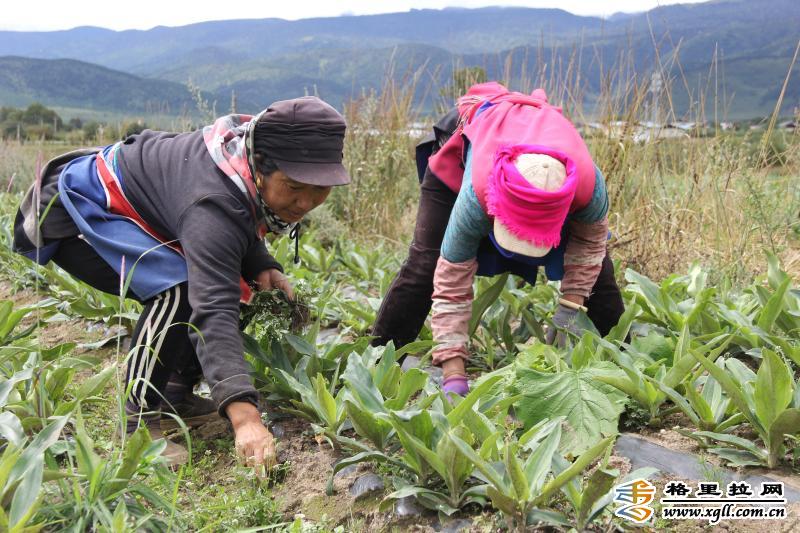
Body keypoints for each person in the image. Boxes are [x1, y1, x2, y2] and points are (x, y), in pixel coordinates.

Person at [13, 96, 350, 467]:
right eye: (294, 187)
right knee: (178, 288)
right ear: (260, 165)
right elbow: (213, 303)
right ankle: (138, 424)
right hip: (76, 212)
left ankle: (174, 393)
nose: (305, 203)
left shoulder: (238, 162)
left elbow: (239, 218)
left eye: (320, 190)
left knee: (231, 282)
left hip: (146, 210)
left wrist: (260, 264)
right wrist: (245, 418)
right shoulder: (211, 199)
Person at [371, 82, 624, 395]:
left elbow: (589, 248)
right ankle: (377, 366)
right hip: (466, 140)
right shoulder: (476, 194)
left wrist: (570, 308)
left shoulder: (588, 187)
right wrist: (452, 370)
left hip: (541, 155)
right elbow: (452, 280)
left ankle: (622, 365)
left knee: (599, 273)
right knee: (426, 263)